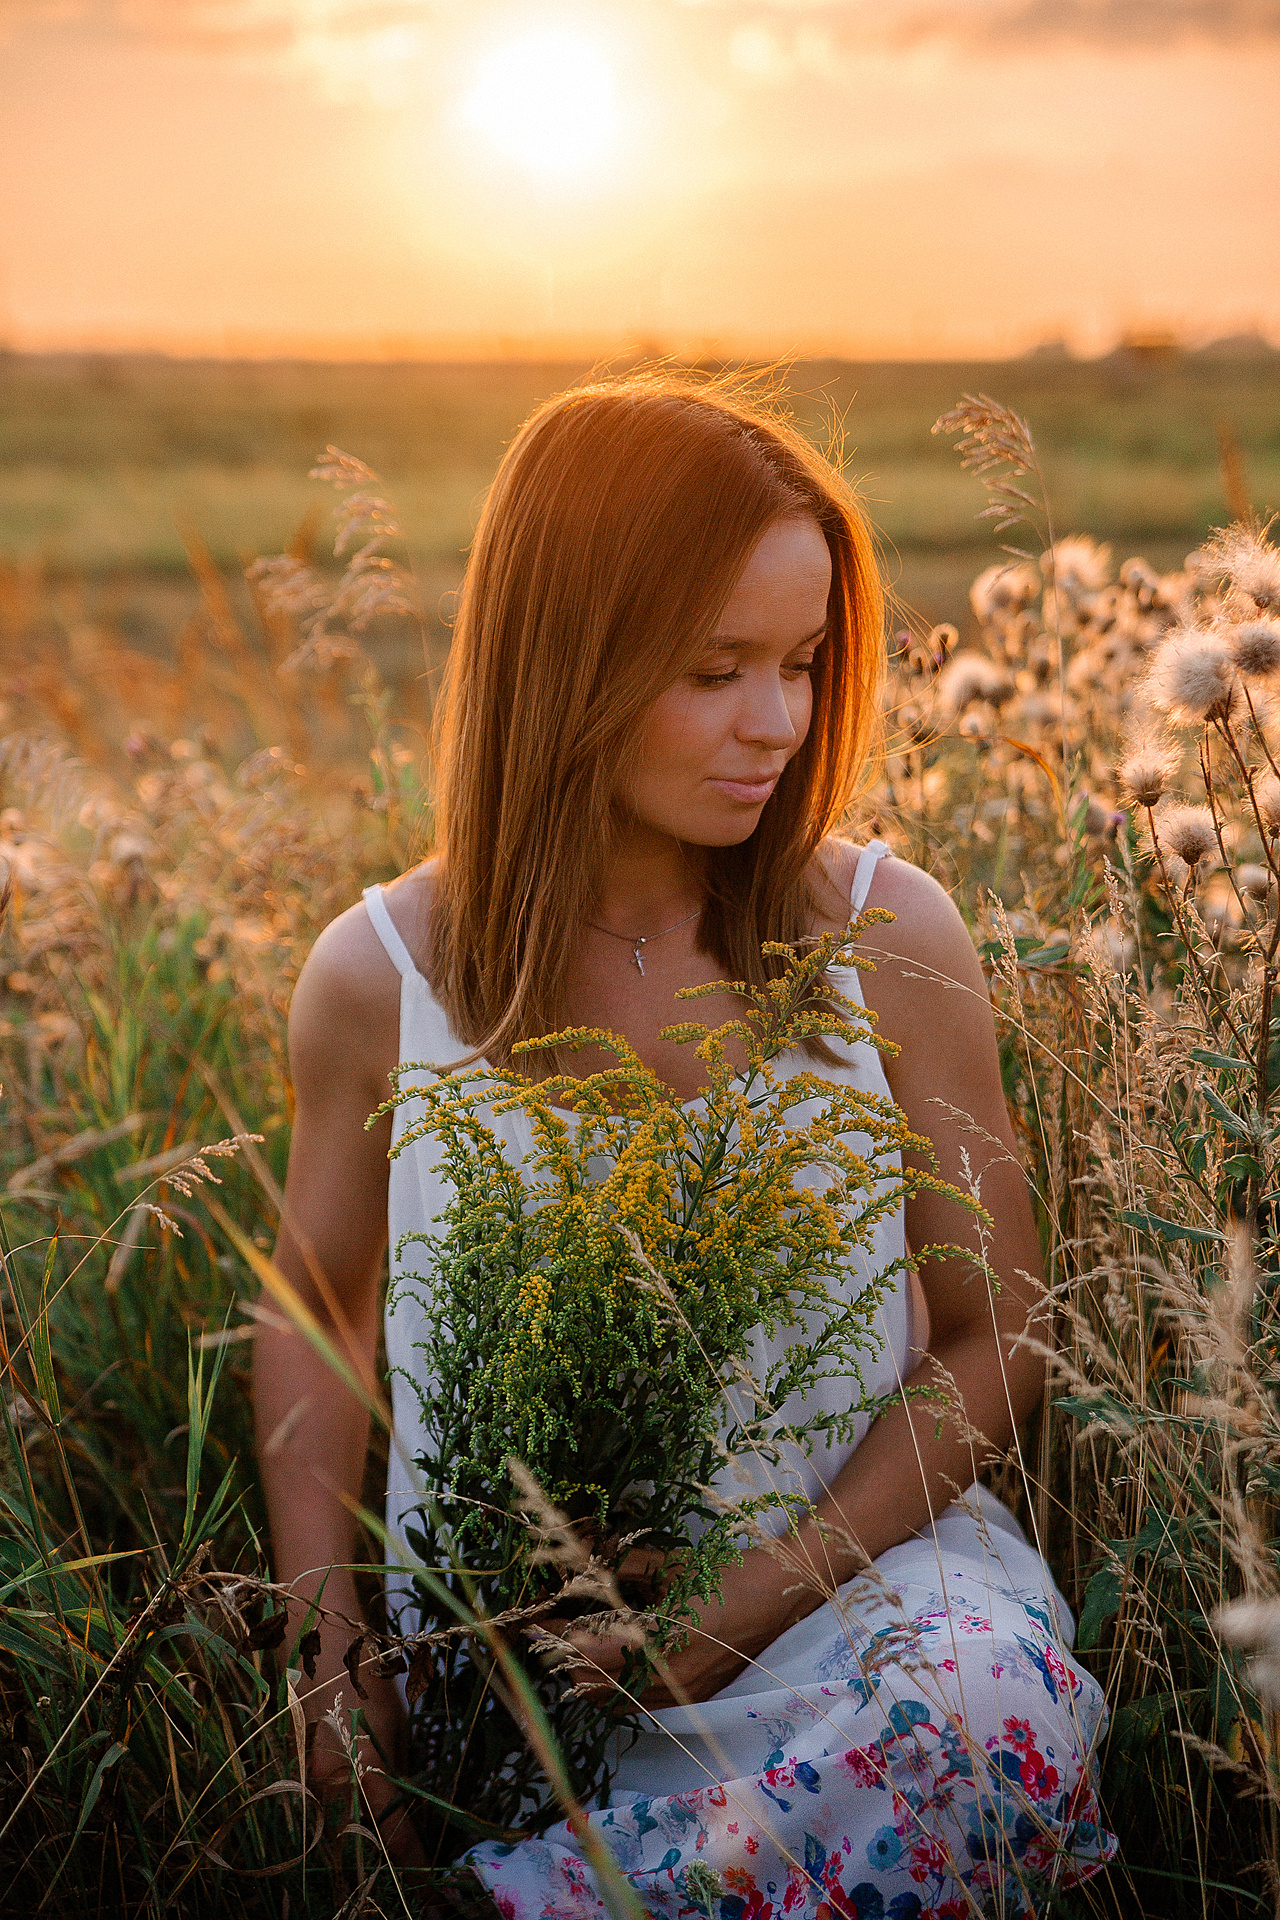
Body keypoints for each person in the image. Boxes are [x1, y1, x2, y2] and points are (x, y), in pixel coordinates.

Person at [254, 372, 1115, 1917]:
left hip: (860, 1597)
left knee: (984, 1736)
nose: (779, 723)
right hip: (528, 1640)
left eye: (799, 662)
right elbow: (319, 1313)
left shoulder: (884, 936)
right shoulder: (379, 974)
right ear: (570, 659)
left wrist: (739, 1605)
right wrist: (332, 1658)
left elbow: (1004, 1333)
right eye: (717, 669)